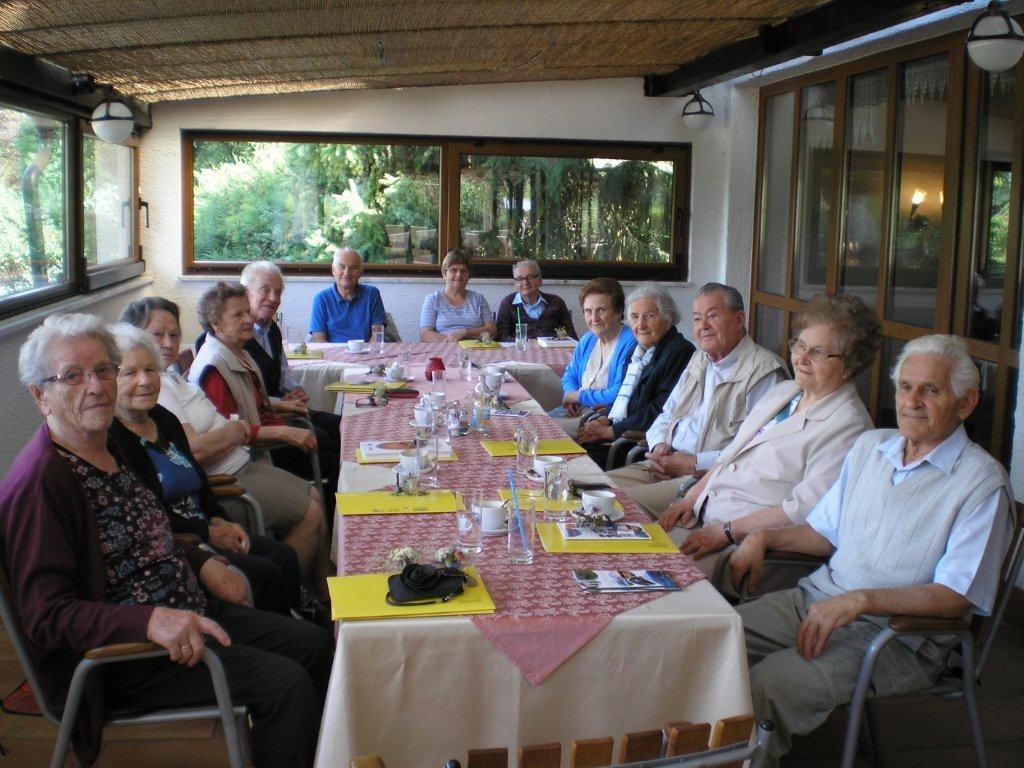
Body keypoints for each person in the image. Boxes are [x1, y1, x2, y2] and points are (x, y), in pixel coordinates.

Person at [0, 313, 332, 768]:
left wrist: (201, 560)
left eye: (103, 370)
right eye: (72, 376)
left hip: (190, 613)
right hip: (130, 656)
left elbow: (152, 526)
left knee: (315, 645)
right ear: (41, 395)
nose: (95, 387)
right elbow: (47, 616)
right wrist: (150, 621)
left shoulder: (112, 444)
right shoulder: (41, 485)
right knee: (285, 685)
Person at [730, 334, 1014, 768]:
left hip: (900, 639)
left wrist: (861, 600)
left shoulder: (980, 483)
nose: (912, 401)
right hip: (816, 603)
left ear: (966, 403)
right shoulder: (871, 447)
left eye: (930, 390)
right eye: (906, 387)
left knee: (771, 684)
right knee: (716, 639)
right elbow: (824, 534)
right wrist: (764, 538)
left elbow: (956, 596)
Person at [120, 296, 331, 595]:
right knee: (311, 511)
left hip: (239, 464)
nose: (168, 343)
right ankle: (302, 594)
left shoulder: (169, 377)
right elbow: (192, 453)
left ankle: (320, 587)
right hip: (228, 478)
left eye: (175, 334)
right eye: (157, 334)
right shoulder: (159, 390)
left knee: (315, 494)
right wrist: (236, 431)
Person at [659, 294, 880, 577]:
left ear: (849, 365)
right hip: (703, 509)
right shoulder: (786, 392)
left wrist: (727, 531)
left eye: (817, 352)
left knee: (650, 569)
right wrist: (691, 498)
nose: (802, 358)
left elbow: (802, 511)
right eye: (800, 345)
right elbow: (730, 456)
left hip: (737, 541)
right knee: (623, 526)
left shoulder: (849, 427)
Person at [608, 283, 787, 516]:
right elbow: (667, 412)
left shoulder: (763, 372)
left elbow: (757, 452)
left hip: (707, 480)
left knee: (616, 507)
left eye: (712, 316)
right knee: (591, 489)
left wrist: (695, 463)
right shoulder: (699, 359)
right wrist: (660, 445)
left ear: (738, 319)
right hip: (662, 463)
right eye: (697, 318)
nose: (703, 326)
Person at [188, 282, 340, 520]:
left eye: (247, 311)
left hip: (266, 436)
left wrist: (280, 404)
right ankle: (334, 529)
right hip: (255, 453)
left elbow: (245, 397)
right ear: (215, 323)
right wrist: (284, 433)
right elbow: (230, 432)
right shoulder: (215, 368)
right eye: (238, 315)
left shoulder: (238, 351)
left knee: (336, 444)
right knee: (334, 463)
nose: (248, 319)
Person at [576, 286, 695, 468]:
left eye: (649, 316)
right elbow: (626, 399)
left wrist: (610, 430)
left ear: (669, 318)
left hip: (634, 445)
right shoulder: (639, 351)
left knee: (575, 463)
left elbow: (659, 410)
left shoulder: (679, 352)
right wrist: (604, 419)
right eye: (634, 317)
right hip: (619, 436)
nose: (640, 325)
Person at [551, 277, 637, 438]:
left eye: (601, 310)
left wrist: (578, 396)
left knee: (542, 432)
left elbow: (619, 393)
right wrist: (571, 395)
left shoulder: (630, 342)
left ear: (619, 311)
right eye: (588, 311)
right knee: (527, 423)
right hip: (578, 410)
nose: (594, 318)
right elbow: (570, 374)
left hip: (604, 418)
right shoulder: (588, 339)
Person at [309, 246, 386, 342]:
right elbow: (319, 340)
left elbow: (377, 335)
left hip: (366, 350)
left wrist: (369, 351)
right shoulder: (321, 299)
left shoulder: (372, 294)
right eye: (342, 267)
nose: (347, 273)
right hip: (332, 351)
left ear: (360, 272)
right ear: (333, 270)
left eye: (353, 268)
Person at [419, 248, 497, 342]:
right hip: (444, 347)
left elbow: (492, 331)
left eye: (464, 271)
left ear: (469, 276)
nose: (459, 275)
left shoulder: (478, 299)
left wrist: (465, 332)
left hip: (474, 349)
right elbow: (425, 334)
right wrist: (453, 341)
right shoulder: (433, 300)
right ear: (444, 274)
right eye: (453, 270)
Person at [493, 259, 576, 341]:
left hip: (553, 349)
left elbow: (572, 337)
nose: (525, 282)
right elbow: (501, 337)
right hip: (519, 349)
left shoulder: (556, 302)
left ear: (540, 280)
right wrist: (527, 344)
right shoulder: (508, 303)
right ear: (515, 283)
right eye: (520, 279)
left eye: (530, 277)